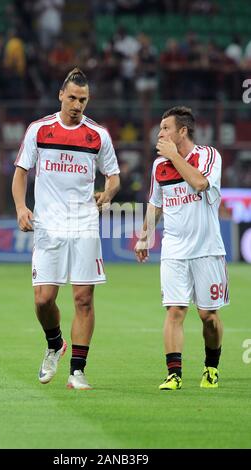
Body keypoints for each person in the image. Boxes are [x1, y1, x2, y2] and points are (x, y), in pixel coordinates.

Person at [12, 68, 120, 390]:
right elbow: (20, 172)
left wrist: (108, 193)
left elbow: (113, 177)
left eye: (83, 100)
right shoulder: (39, 130)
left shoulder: (98, 135)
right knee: (44, 300)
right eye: (72, 97)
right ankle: (54, 343)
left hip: (84, 222)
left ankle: (77, 370)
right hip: (48, 225)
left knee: (84, 299)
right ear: (61, 95)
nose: (77, 105)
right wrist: (20, 207)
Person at [135, 106, 229, 390]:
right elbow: (156, 203)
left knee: (208, 317)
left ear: (182, 131)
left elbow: (200, 183)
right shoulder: (157, 166)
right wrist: (145, 235)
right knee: (174, 311)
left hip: (207, 249)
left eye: (165, 128)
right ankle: (173, 374)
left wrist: (174, 156)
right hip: (174, 250)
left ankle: (211, 367)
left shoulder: (209, 156)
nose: (160, 133)